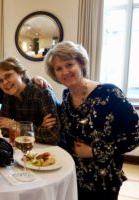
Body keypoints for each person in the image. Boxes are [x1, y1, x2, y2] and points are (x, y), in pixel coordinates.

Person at [44, 40, 139, 200]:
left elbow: (135, 134)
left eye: (69, 64)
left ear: (81, 64)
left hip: (103, 181)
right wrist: (51, 122)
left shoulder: (110, 93)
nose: (65, 71)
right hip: (73, 176)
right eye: (58, 68)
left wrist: (95, 151)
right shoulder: (67, 96)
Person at [0, 57, 61, 145]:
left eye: (8, 76)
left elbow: (53, 137)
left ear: (21, 73)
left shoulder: (42, 93)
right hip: (24, 149)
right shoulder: (8, 95)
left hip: (52, 151)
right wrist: (38, 129)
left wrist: (16, 126)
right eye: (0, 80)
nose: (4, 83)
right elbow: (1, 130)